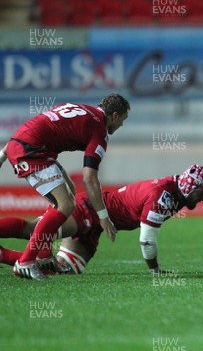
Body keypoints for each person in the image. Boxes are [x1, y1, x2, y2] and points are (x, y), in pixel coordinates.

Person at [0, 164, 203, 275]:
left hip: (99, 225)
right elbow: (146, 240)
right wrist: (155, 270)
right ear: (190, 189)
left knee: (63, 268)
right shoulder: (161, 197)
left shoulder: (184, 187)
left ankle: (2, 256)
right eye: (201, 193)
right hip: (89, 210)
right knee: (35, 232)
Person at [0, 93, 130, 279]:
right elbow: (89, 177)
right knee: (66, 204)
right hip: (32, 151)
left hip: (24, 145)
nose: (121, 125)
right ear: (115, 115)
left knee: (67, 198)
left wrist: (3, 154)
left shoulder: (79, 108)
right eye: (123, 120)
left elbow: (37, 123)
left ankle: (43, 256)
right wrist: (103, 217)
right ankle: (25, 262)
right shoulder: (99, 131)